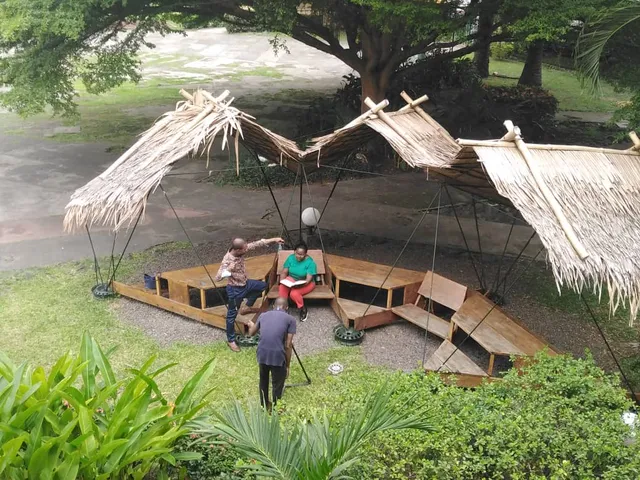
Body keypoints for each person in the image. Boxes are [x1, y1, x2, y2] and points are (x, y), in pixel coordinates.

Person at [215, 236, 284, 352]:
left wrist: (274, 239)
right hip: (235, 290)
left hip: (246, 284)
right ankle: (231, 340)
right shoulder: (227, 260)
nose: (246, 250)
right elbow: (217, 278)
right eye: (244, 249)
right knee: (231, 315)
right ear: (238, 250)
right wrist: (229, 270)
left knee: (263, 286)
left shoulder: (240, 250)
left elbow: (256, 244)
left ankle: (247, 306)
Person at [247, 297, 296, 412]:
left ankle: (264, 404)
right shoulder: (291, 319)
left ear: (273, 306)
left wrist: (251, 325)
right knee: (277, 383)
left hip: (262, 353)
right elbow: (288, 345)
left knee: (263, 379)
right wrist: (287, 366)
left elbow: (251, 333)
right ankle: (276, 407)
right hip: (277, 355)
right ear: (286, 308)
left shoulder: (263, 315)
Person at [279, 243, 317, 322]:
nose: (299, 256)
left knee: (294, 293)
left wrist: (298, 286)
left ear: (305, 254)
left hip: (306, 283)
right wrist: (282, 281)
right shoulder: (291, 258)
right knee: (282, 287)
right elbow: (284, 272)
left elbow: (308, 280)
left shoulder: (310, 262)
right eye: (297, 253)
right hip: (292, 279)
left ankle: (303, 308)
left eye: (301, 254)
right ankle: (283, 308)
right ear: (294, 251)